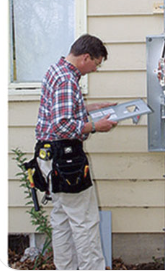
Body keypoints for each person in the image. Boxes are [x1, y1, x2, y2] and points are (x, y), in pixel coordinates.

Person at [35, 34, 117, 270]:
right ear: (85, 57)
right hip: (65, 158)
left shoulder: (57, 71)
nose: (95, 69)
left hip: (50, 156)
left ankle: (66, 269)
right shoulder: (67, 80)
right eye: (96, 64)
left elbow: (60, 111)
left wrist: (90, 108)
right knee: (85, 221)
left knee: (62, 218)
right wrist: (96, 126)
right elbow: (62, 125)